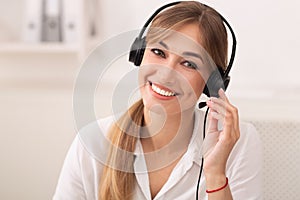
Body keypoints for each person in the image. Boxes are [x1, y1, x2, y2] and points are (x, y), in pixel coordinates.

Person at [53, 1, 263, 200]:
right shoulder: (92, 142)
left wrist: (216, 175)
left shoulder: (238, 143)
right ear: (139, 55)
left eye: (188, 63)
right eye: (158, 52)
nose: (166, 74)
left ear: (212, 83)